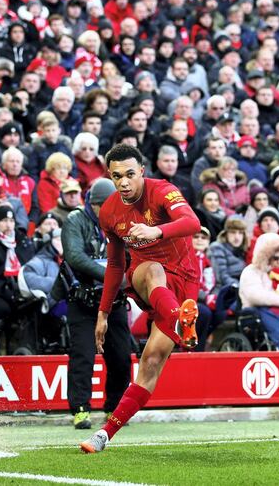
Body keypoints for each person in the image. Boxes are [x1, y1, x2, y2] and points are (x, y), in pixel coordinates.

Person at [80, 144, 201, 453]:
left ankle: (104, 434)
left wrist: (156, 232)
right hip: (149, 279)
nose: (123, 182)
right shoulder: (108, 211)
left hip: (184, 282)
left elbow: (193, 224)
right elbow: (117, 264)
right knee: (151, 269)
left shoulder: (162, 191)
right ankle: (180, 320)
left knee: (151, 361)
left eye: (130, 175)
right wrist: (103, 313)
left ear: (142, 172)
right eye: (117, 176)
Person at [62, 178, 131, 430]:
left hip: (114, 300)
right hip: (84, 299)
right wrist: (112, 275)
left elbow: (132, 252)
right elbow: (75, 256)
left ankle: (114, 408)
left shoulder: (121, 219)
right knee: (83, 357)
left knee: (122, 357)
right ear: (96, 204)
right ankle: (80, 410)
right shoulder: (75, 220)